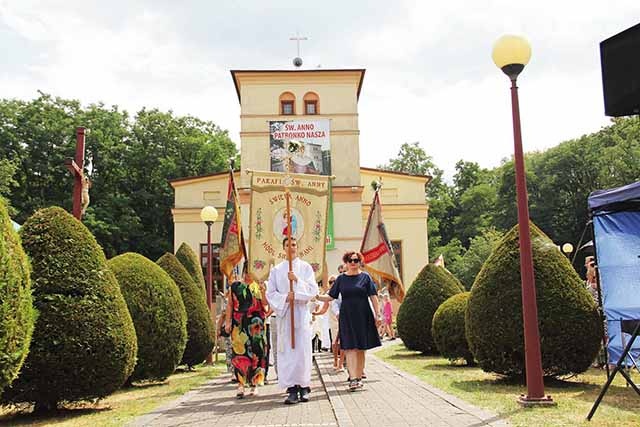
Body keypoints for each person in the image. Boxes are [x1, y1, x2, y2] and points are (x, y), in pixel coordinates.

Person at [317, 251, 381, 391]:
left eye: (356, 260)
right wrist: (316, 296)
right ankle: (352, 379)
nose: (353, 263)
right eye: (350, 260)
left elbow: (373, 297)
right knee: (350, 347)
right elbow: (330, 296)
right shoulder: (341, 279)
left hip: (363, 315)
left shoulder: (365, 277)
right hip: (347, 317)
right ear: (346, 262)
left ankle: (358, 377)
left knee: (361, 348)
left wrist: (378, 314)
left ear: (360, 262)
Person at [266, 237, 318, 404]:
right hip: (286, 316)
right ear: (283, 248)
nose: (291, 248)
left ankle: (303, 386)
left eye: (294, 245)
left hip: (301, 314)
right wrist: (285, 298)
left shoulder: (305, 268)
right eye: (288, 245)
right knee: (287, 351)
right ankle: (291, 389)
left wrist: (297, 281)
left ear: (297, 247)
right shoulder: (277, 270)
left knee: (302, 350)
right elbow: (270, 294)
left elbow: (312, 290)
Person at [224, 266, 268, 399]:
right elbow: (230, 305)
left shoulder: (259, 285)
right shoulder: (235, 286)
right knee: (239, 353)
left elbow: (265, 306)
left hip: (256, 324)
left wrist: (263, 291)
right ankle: (241, 384)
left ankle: (254, 385)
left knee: (257, 353)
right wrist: (228, 321)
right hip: (239, 323)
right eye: (248, 270)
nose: (250, 273)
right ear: (244, 271)